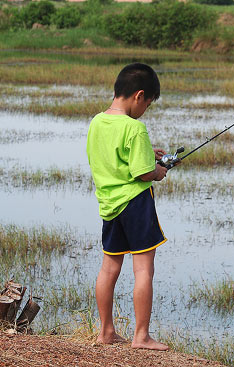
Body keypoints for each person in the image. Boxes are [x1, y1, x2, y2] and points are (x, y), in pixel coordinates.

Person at [86, 63, 171, 351]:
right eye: (147, 103)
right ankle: (141, 336)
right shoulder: (135, 128)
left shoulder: (97, 122)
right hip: (135, 205)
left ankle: (106, 331)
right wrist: (158, 170)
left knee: (109, 267)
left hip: (109, 205)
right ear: (139, 95)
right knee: (144, 269)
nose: (145, 109)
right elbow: (144, 174)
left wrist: (148, 153)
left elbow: (114, 157)